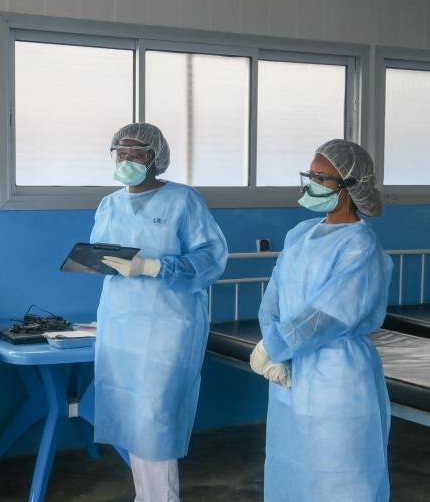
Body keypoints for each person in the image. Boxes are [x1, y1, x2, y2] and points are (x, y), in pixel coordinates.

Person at [91, 122, 228, 502]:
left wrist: (153, 267)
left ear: (156, 158)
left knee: (155, 418)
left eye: (137, 153)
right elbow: (102, 252)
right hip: (121, 322)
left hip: (169, 325)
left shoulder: (184, 201)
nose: (127, 159)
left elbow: (211, 259)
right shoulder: (109, 204)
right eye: (121, 152)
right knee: (130, 416)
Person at [250, 139, 393, 501]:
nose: (309, 183)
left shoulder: (360, 246)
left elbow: (329, 315)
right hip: (290, 375)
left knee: (341, 474)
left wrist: (275, 345)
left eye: (320, 177)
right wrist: (276, 349)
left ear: (348, 187)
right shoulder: (300, 235)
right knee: (292, 465)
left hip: (338, 375)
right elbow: (274, 300)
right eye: (309, 174)